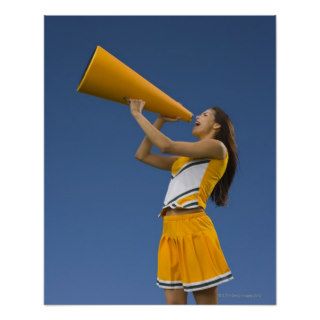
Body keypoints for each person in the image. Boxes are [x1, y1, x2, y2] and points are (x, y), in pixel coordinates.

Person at [126, 98, 238, 304]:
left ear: (217, 125)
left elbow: (166, 145)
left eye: (204, 114)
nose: (197, 116)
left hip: (195, 230)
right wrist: (159, 120)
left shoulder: (218, 148)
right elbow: (142, 155)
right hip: (169, 232)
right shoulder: (182, 161)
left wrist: (137, 114)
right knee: (174, 306)